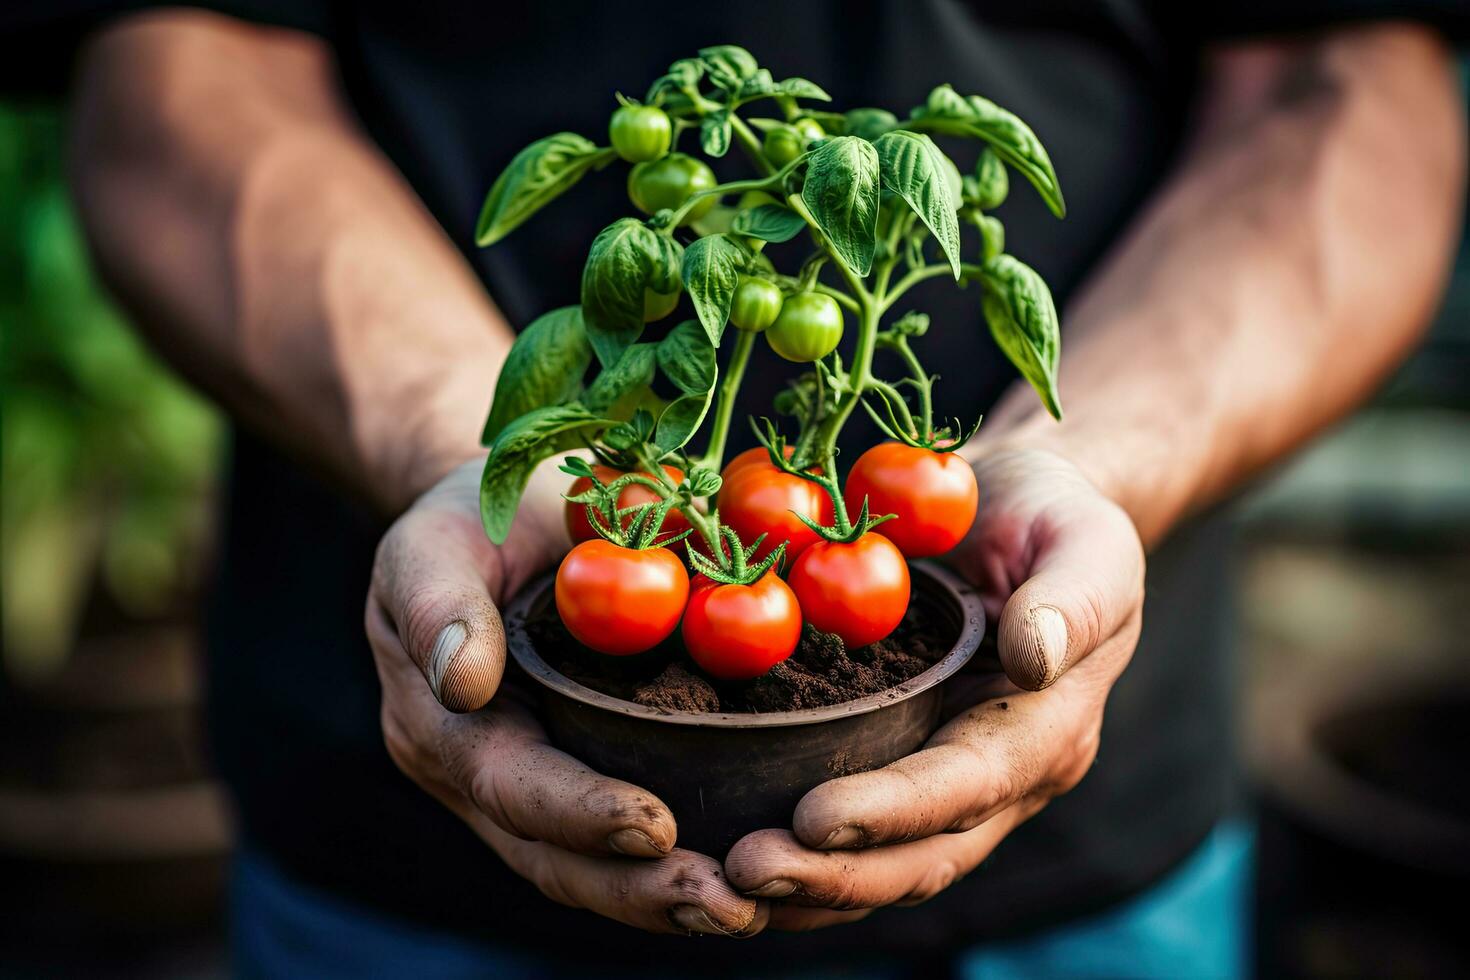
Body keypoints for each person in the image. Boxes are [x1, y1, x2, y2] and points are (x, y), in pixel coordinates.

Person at [19, 1, 1464, 975]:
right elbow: (178, 67)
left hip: (1086, 867)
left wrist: (1091, 465)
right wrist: (472, 453)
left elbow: (1339, 80)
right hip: (401, 855)